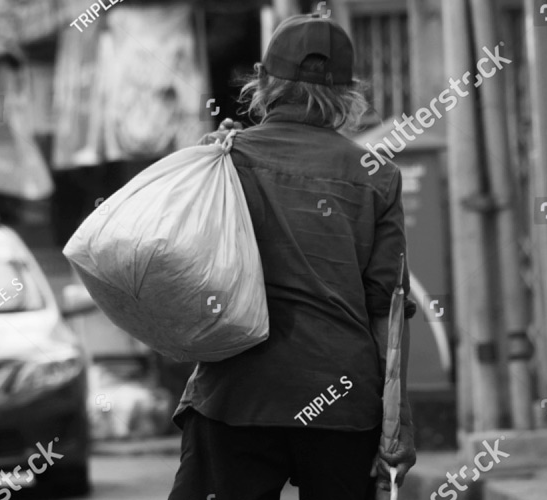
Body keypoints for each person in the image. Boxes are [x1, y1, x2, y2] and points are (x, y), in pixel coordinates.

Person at [167, 14, 416, 500]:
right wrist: (397, 421)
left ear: (262, 81)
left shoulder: (225, 156)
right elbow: (387, 310)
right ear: (349, 93)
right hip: (342, 398)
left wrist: (208, 159)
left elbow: (180, 266)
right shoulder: (377, 176)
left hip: (237, 393)